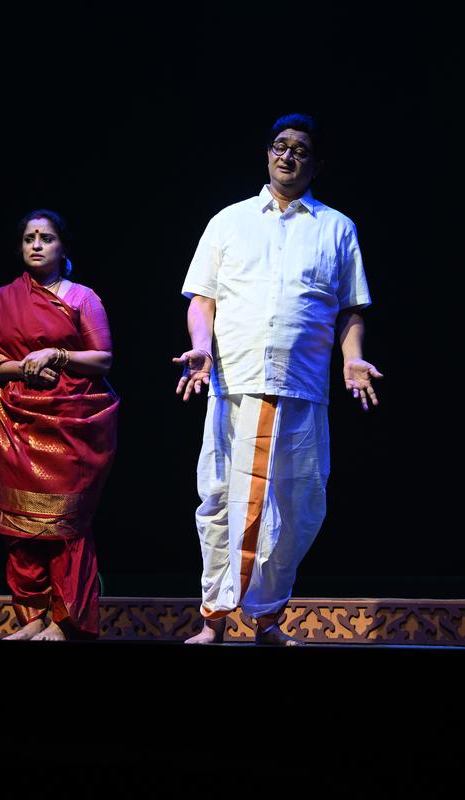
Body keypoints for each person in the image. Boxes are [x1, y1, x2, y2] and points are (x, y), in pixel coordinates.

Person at [173, 113, 382, 646]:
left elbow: (350, 308)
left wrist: (351, 358)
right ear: (268, 154)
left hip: (302, 386)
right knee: (221, 497)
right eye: (280, 146)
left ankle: (267, 618)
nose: (288, 156)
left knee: (297, 505)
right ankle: (214, 620)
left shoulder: (336, 227)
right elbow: (203, 298)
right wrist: (201, 346)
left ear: (315, 163)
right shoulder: (229, 221)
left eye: (300, 150)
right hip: (235, 382)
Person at [0, 209, 118, 641]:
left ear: (62, 247)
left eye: (47, 238)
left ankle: (65, 620)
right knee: (20, 527)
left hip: (72, 422)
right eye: (29, 238)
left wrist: (56, 355)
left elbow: (103, 359)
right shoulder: (2, 300)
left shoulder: (81, 298)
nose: (36, 245)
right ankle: (31, 617)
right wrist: (23, 368)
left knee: (65, 525)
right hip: (15, 425)